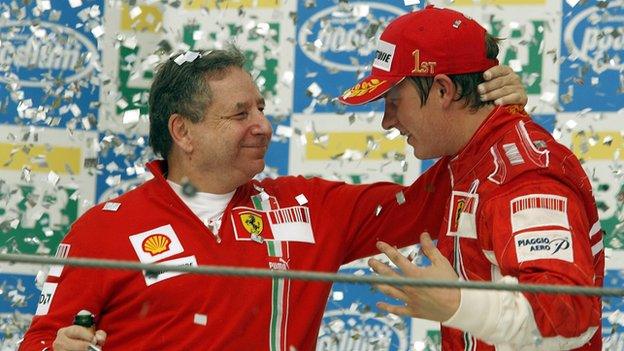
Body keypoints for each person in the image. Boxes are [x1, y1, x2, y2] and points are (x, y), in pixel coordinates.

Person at [19, 43, 527, 350]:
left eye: (260, 109)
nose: (263, 126)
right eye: (240, 114)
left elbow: (437, 202)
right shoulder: (106, 227)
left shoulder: (305, 208)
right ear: (183, 131)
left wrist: (489, 120)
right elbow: (43, 339)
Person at [338, 5, 604, 350]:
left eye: (394, 100)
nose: (387, 121)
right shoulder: (470, 159)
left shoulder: (522, 177)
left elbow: (570, 315)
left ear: (443, 91)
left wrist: (457, 305)